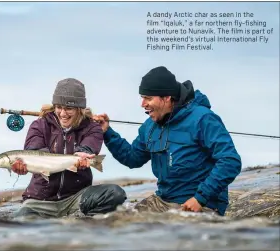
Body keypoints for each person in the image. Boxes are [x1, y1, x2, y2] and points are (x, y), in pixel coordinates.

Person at [93, 66, 242, 216]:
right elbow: (132, 158)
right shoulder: (150, 126)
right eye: (142, 97)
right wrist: (107, 132)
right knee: (119, 222)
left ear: (167, 98)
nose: (142, 104)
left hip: (199, 203)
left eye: (148, 98)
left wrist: (200, 198)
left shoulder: (203, 118)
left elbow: (230, 160)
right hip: (163, 201)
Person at [11, 78, 127, 218]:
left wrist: (84, 154)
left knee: (115, 194)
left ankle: (82, 223)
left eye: (69, 108)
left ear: (80, 109)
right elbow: (33, 152)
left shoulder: (93, 127)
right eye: (59, 107)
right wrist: (25, 166)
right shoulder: (39, 126)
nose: (63, 113)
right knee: (20, 218)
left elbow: (89, 147)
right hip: (40, 200)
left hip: (76, 198)